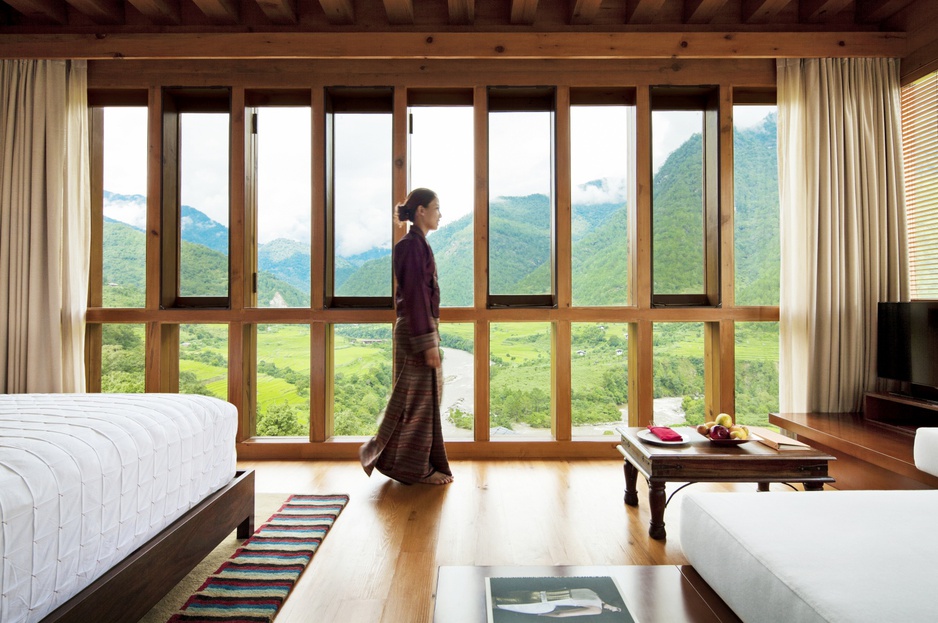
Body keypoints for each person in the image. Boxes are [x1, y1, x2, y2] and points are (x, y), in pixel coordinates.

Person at [359, 188, 454, 485]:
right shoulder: (411, 246)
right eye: (436, 208)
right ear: (421, 211)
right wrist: (427, 343)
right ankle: (413, 469)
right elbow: (414, 296)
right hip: (417, 331)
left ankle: (390, 459)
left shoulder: (417, 244)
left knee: (417, 401)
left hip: (419, 329)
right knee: (417, 403)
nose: (440, 214)